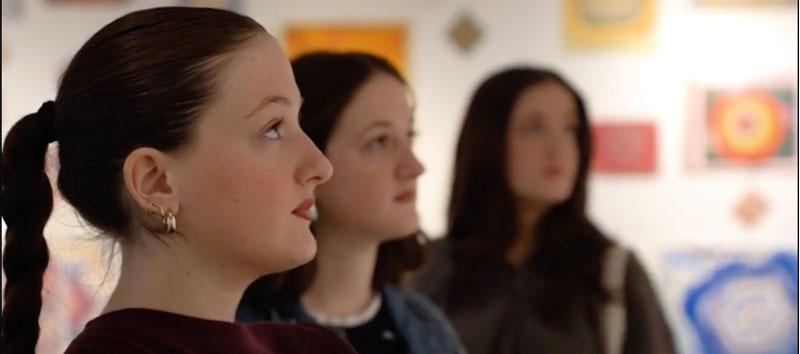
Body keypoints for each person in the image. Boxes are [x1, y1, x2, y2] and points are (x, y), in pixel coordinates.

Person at [1, 7, 358, 354]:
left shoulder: (316, 346)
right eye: (273, 129)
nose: (321, 166)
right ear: (156, 182)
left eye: (298, 121)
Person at [410, 67, 676, 354]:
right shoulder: (430, 270)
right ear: (490, 142)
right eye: (533, 128)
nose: (557, 147)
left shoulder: (610, 273)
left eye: (570, 129)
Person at [238, 52, 465, 354]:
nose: (414, 166)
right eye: (379, 141)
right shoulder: (234, 327)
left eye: (409, 136)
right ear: (311, 162)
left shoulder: (428, 329)